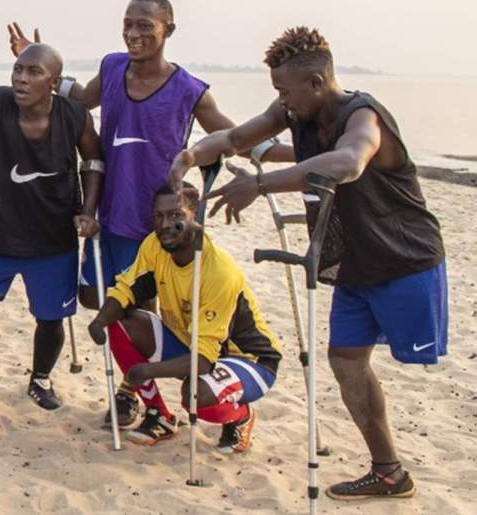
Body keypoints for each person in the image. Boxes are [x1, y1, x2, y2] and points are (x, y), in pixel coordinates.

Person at [170, 26, 447, 501]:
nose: (281, 101)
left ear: (317, 83)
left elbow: (348, 163)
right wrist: (190, 156)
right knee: (345, 362)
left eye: (285, 91)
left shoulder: (363, 116)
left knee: (420, 366)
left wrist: (259, 185)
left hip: (405, 259)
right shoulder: (292, 110)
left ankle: (390, 471)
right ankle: (389, 472)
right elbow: (236, 137)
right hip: (353, 265)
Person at [9, 0, 237, 424]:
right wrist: (37, 64)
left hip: (156, 222)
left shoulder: (188, 89)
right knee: (96, 297)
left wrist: (286, 150)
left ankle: (137, 397)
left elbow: (232, 134)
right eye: (128, 24)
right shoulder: (113, 67)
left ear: (168, 29)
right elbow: (81, 96)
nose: (134, 33)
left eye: (145, 26)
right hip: (107, 214)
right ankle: (142, 385)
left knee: (141, 313)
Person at [0, 44, 103, 410]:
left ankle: (40, 379)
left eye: (33, 73)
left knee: (50, 319)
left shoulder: (74, 116)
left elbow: (94, 159)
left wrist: (88, 210)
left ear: (54, 83)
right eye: (17, 70)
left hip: (54, 242)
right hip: (1, 238)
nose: (21, 79)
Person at [87, 182, 282, 451]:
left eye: (176, 215)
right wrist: (99, 321)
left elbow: (202, 360)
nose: (165, 224)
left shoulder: (219, 272)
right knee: (118, 323)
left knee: (195, 394)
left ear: (195, 216)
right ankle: (160, 417)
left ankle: (241, 417)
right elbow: (127, 289)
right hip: (191, 343)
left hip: (247, 359)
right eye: (158, 216)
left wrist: (147, 370)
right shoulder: (154, 245)